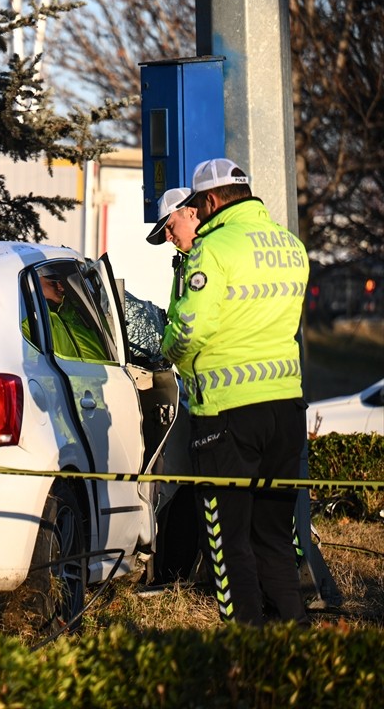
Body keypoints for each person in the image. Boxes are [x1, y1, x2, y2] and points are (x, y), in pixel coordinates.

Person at [160, 157, 310, 626]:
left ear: (209, 201)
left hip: (227, 413)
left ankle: (245, 647)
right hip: (287, 408)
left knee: (228, 539)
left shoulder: (213, 248)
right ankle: (298, 634)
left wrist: (174, 356)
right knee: (275, 536)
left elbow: (189, 330)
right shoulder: (292, 245)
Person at [146, 186, 201, 314]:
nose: (168, 237)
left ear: (191, 213)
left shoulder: (212, 256)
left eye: (170, 226)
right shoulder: (186, 261)